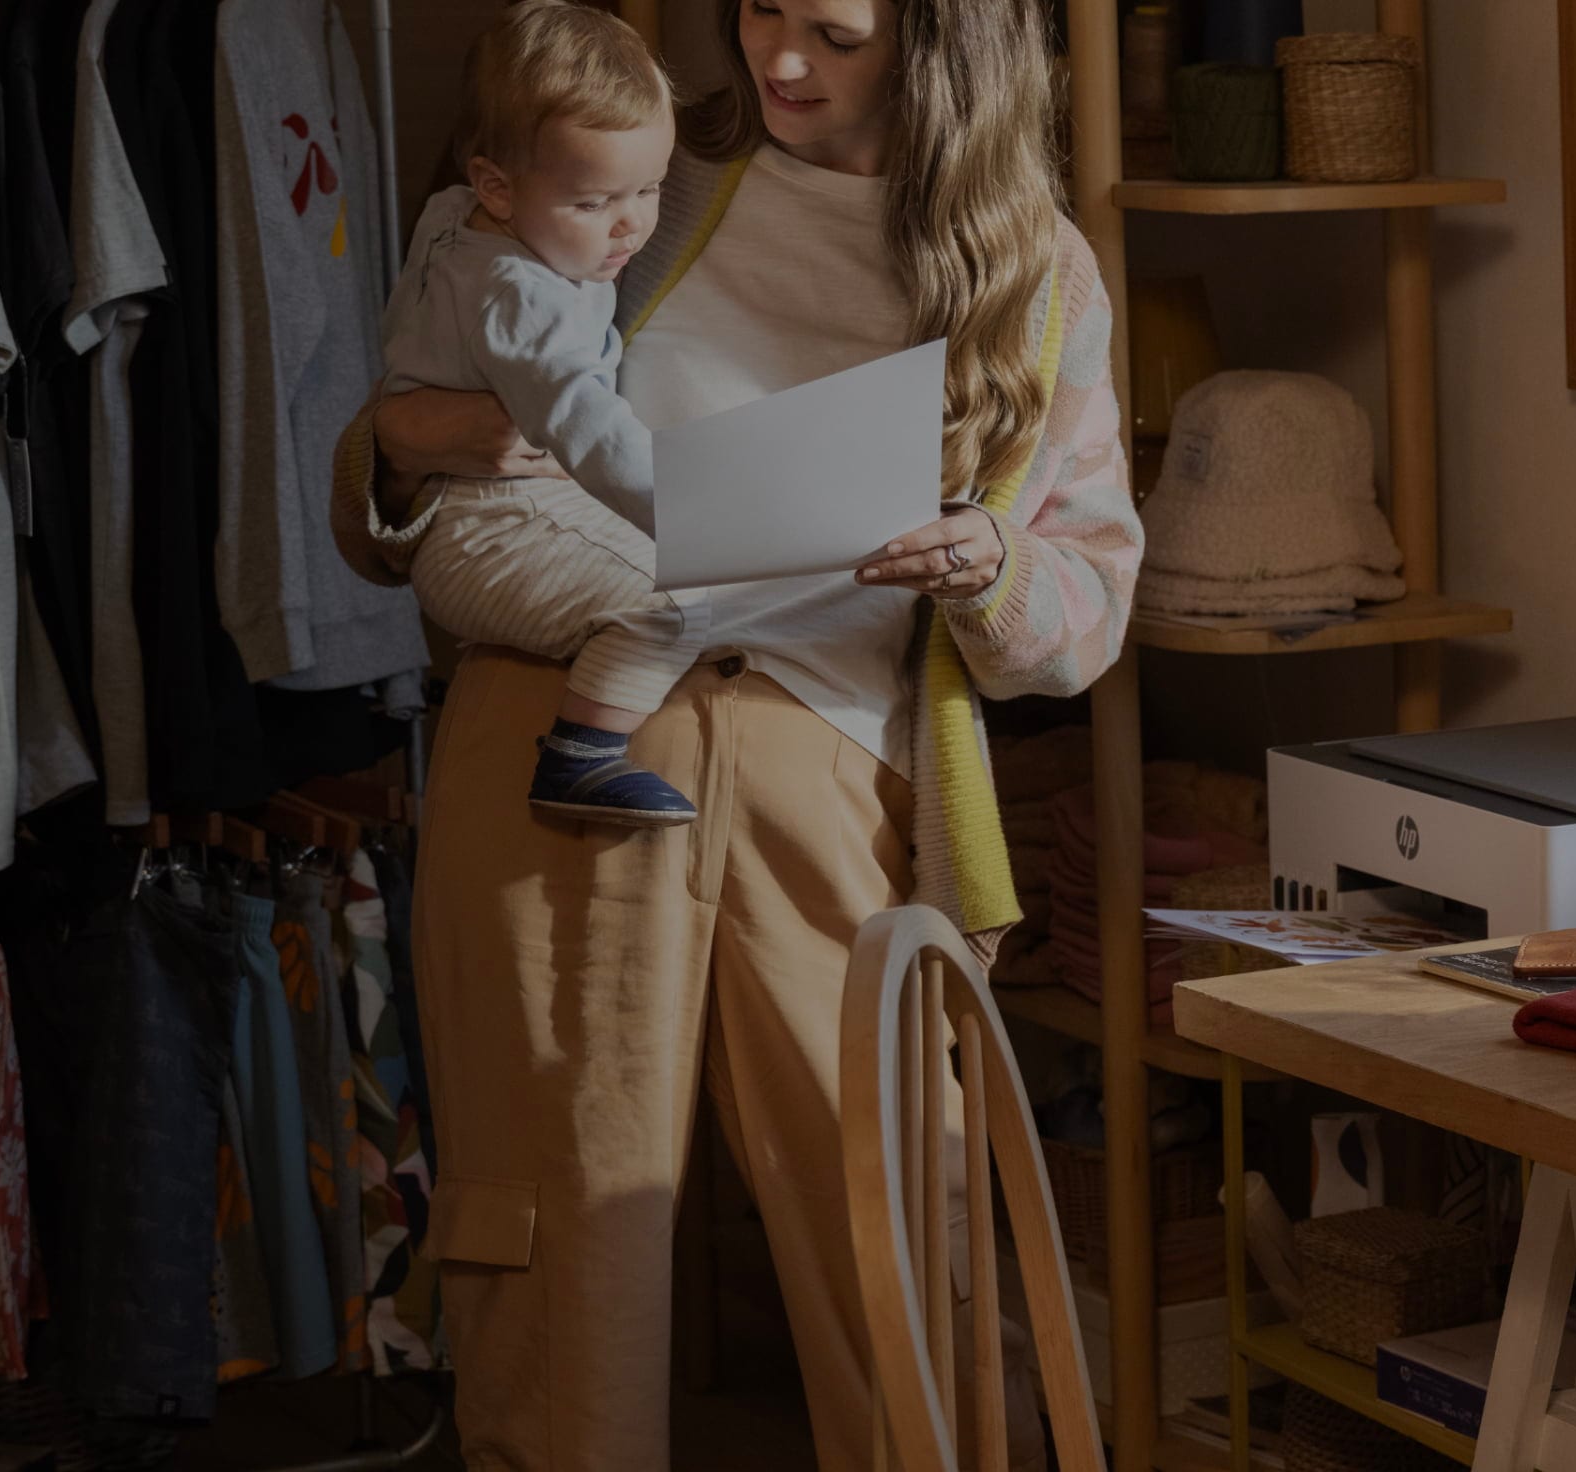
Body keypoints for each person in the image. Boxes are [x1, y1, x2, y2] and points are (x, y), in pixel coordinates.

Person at [329, 0, 1140, 1463]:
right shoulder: (643, 174)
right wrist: (415, 441)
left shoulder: (1039, 277)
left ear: (941, 40)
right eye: (760, 11)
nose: (777, 63)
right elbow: (406, 424)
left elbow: (1085, 615)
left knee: (912, 1220)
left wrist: (989, 565)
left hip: (820, 759)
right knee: (549, 1240)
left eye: (831, 31)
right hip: (549, 737)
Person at [354, 2, 703, 826]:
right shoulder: (522, 294)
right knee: (686, 600)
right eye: (594, 203)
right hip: (491, 527)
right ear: (498, 189)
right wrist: (699, 518)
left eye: (650, 188)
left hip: (490, 516)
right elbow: (589, 427)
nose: (632, 225)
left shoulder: (451, 217)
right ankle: (579, 759)